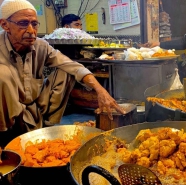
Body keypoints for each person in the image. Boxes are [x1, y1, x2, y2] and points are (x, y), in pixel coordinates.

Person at [0, 0, 124, 147]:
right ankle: (5, 137)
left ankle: (47, 126)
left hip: (35, 109)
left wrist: (100, 90)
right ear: (5, 25)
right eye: (23, 23)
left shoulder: (41, 45)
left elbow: (73, 66)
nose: (31, 30)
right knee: (3, 74)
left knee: (67, 71)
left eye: (34, 24)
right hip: (6, 117)